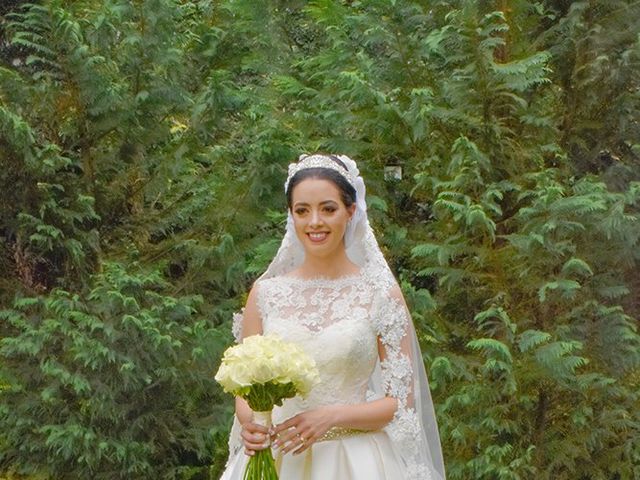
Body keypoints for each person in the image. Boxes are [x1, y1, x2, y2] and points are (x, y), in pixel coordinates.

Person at [220, 154, 445, 480]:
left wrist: (333, 416)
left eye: (328, 209)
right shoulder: (266, 293)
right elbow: (244, 389)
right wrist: (252, 423)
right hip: (279, 458)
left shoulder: (379, 294)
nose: (314, 222)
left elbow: (398, 403)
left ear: (350, 211)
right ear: (291, 216)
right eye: (302, 210)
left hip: (355, 462)